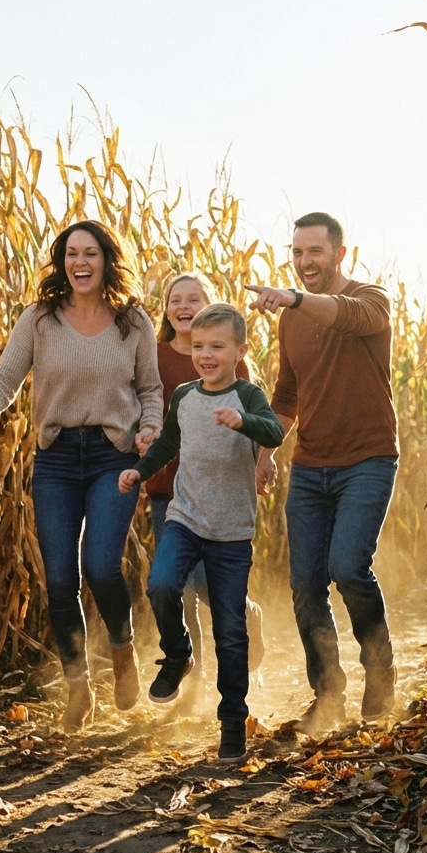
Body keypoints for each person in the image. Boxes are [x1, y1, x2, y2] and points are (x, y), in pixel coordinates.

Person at [0, 219, 163, 734]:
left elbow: (151, 389)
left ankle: (122, 652)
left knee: (100, 565)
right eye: (71, 254)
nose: (80, 263)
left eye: (90, 253)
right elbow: (6, 377)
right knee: (57, 578)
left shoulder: (132, 321)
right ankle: (78, 688)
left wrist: (151, 428)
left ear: (106, 260)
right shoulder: (41, 319)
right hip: (55, 457)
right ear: (61, 261)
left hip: (112, 454)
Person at [247, 211, 399, 735]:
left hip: (368, 460)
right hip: (311, 466)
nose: (304, 262)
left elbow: (350, 317)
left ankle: (381, 675)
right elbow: (288, 393)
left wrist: (292, 298)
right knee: (307, 583)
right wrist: (267, 448)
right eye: (297, 252)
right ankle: (327, 694)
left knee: (349, 567)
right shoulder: (292, 319)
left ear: (340, 253)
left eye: (314, 251)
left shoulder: (371, 299)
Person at [119, 303, 284, 762]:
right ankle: (178, 655)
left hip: (231, 530)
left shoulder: (248, 396)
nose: (206, 355)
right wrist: (139, 472)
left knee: (231, 629)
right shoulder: (185, 397)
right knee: (162, 584)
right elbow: (169, 444)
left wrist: (243, 422)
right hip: (185, 516)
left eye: (217, 347)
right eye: (199, 347)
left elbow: (274, 433)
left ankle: (233, 720)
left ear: (239, 351)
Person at [147, 273, 266, 706]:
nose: (183, 306)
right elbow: (140, 401)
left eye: (193, 299)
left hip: (221, 491)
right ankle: (191, 679)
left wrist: (263, 462)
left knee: (207, 585)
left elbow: (256, 417)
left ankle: (246, 615)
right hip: (170, 487)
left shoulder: (230, 361)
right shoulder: (155, 356)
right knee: (176, 586)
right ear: (165, 309)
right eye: (174, 299)